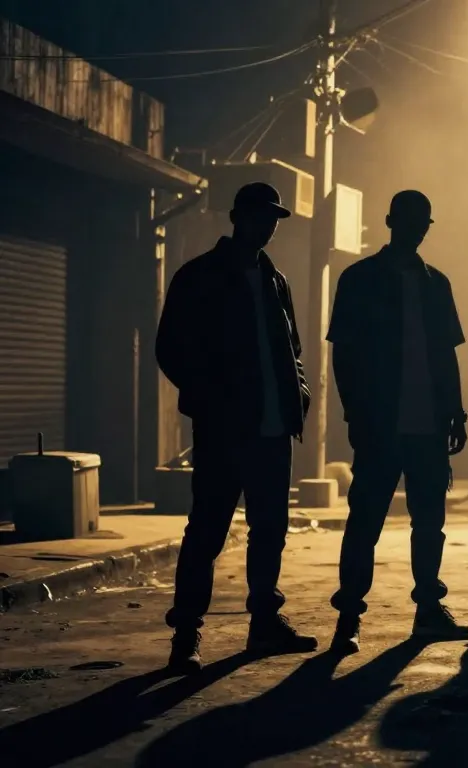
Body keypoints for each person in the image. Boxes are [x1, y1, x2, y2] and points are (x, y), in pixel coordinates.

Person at [156, 182, 317, 674]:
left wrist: (298, 395)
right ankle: (186, 634)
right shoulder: (199, 276)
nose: (267, 227)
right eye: (259, 216)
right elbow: (170, 349)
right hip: (224, 429)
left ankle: (264, 623)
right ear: (236, 217)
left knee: (269, 530)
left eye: (273, 219)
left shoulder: (275, 280)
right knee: (207, 530)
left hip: (272, 429)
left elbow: (292, 350)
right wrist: (212, 399)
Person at [327, 190, 468, 654]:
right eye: (411, 221)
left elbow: (446, 356)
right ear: (391, 222)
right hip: (382, 423)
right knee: (368, 522)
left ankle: (417, 610)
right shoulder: (361, 279)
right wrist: (355, 413)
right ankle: (352, 615)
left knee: (424, 522)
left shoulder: (434, 284)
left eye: (421, 223)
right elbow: (344, 356)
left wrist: (455, 412)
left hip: (423, 424)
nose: (416, 229)